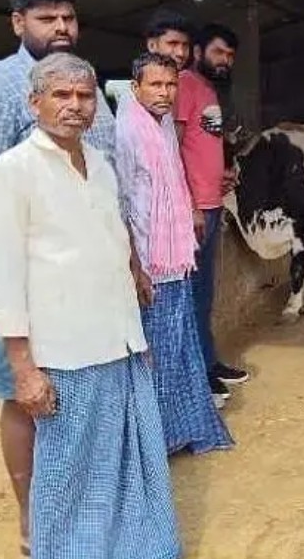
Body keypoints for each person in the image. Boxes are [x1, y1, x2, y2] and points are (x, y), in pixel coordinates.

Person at [0, 53, 181, 559]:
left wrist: (135, 330)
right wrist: (24, 369)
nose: (75, 105)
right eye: (61, 95)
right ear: (35, 103)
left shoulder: (101, 166)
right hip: (65, 354)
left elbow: (116, 247)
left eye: (85, 96)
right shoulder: (9, 175)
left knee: (126, 464)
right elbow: (5, 283)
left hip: (118, 345)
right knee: (68, 474)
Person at [0, 0, 117, 553]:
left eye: (68, 17)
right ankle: (32, 521)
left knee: (76, 393)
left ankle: (78, 507)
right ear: (18, 22)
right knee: (24, 396)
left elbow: (108, 178)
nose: (61, 27)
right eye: (47, 18)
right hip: (21, 285)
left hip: (85, 283)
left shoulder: (81, 83)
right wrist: (15, 294)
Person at [116, 52, 234, 454]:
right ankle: (157, 442)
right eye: (156, 85)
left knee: (180, 346)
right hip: (150, 260)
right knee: (158, 354)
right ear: (136, 88)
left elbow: (176, 174)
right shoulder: (127, 131)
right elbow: (121, 203)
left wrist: (191, 210)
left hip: (175, 256)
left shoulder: (163, 123)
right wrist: (135, 266)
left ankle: (182, 431)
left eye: (170, 85)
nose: (165, 93)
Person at [174, 23, 248, 403]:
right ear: (198, 52)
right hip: (195, 210)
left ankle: (208, 362)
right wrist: (189, 204)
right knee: (190, 296)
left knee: (204, 294)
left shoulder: (210, 91)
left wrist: (223, 175)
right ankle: (196, 376)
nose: (225, 61)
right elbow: (172, 147)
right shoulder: (184, 85)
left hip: (212, 202)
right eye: (218, 52)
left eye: (230, 56)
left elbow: (202, 147)